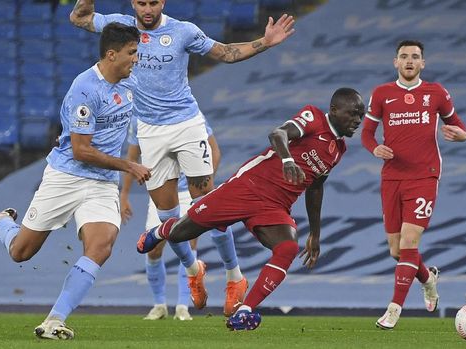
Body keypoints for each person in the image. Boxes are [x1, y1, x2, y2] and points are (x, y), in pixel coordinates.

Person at [70, 0, 295, 316]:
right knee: (167, 219)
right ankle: (193, 269)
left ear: (163, 2)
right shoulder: (119, 26)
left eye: (153, 2)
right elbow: (78, 18)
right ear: (133, 3)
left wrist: (264, 43)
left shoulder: (183, 31)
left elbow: (226, 53)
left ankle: (234, 276)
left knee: (211, 206)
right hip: (149, 131)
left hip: (187, 125)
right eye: (141, 2)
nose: (147, 9)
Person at [0, 23, 149, 340]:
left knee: (101, 246)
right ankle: (1, 224)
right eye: (132, 53)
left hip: (101, 183)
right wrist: (128, 165)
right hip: (66, 176)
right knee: (21, 253)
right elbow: (81, 151)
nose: (136, 59)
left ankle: (55, 319)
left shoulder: (129, 84)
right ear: (112, 54)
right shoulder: (84, 89)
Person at [137, 87, 365, 331]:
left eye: (361, 116)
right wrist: (287, 160)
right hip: (247, 187)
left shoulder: (338, 151)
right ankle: (160, 231)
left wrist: (315, 234)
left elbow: (316, 188)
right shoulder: (314, 118)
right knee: (181, 233)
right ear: (334, 110)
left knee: (287, 247)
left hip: (274, 208)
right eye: (353, 114)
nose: (357, 121)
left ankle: (244, 311)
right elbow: (277, 134)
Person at [361, 40, 466, 330]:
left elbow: (461, 128)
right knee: (397, 251)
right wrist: (374, 149)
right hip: (392, 177)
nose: (409, 61)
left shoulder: (436, 93)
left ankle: (394, 309)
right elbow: (367, 134)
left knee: (410, 243)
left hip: (424, 175)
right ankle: (428, 278)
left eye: (415, 57)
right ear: (395, 62)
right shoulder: (382, 93)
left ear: (423, 63)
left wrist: (458, 135)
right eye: (404, 56)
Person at [120, 116, 220, 321]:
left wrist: (204, 183)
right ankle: (159, 305)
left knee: (188, 244)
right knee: (154, 249)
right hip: (160, 191)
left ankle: (183, 306)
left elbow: (214, 150)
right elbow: (132, 158)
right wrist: (124, 195)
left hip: (186, 191)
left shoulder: (189, 112)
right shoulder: (140, 118)